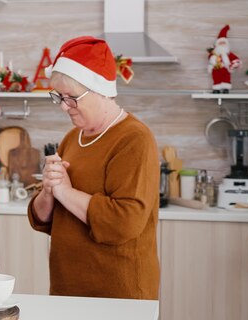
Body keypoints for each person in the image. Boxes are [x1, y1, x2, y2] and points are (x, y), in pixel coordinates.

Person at [28, 36, 160, 300]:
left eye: (72, 98)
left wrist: (64, 191)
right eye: (59, 97)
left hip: (116, 292)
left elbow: (125, 221)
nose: (64, 106)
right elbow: (43, 219)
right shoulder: (71, 138)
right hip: (68, 287)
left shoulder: (134, 139)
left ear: (100, 90)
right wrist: (48, 192)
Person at [208, 24, 241, 93]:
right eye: (221, 43)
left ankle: (226, 89)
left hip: (226, 69)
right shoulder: (215, 53)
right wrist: (213, 58)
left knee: (226, 78)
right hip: (216, 68)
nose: (222, 44)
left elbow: (236, 59)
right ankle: (216, 89)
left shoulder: (229, 53)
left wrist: (234, 63)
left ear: (227, 44)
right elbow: (209, 58)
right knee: (216, 78)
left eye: (224, 43)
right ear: (217, 44)